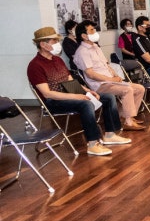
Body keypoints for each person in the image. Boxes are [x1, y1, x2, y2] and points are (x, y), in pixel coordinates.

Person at [27, 26, 131, 156]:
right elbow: (47, 93)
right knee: (85, 104)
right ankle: (92, 143)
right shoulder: (35, 65)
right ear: (43, 44)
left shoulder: (57, 60)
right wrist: (76, 97)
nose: (57, 44)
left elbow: (71, 81)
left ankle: (110, 134)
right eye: (54, 41)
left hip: (70, 94)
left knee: (108, 97)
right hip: (54, 101)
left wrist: (87, 91)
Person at [73, 20, 146, 131]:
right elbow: (91, 74)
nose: (95, 32)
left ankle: (125, 116)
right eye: (92, 30)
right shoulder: (82, 51)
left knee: (140, 88)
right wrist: (111, 79)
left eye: (94, 29)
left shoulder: (96, 47)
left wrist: (116, 76)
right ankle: (129, 122)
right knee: (127, 90)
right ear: (84, 36)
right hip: (100, 85)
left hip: (110, 81)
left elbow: (107, 65)